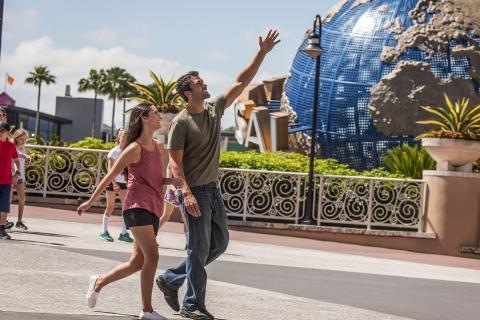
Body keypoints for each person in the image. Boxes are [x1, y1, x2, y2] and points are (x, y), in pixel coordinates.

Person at [156, 30, 280, 320]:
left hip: (212, 190)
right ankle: (192, 304)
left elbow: (241, 82)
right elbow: (175, 163)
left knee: (219, 243)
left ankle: (172, 278)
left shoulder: (213, 109)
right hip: (195, 191)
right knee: (197, 249)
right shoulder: (181, 124)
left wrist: (262, 52)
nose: (205, 84)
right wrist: (186, 194)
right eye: (200, 83)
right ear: (189, 92)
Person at [77, 105, 183, 320]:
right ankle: (146, 310)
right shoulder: (133, 148)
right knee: (153, 256)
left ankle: (99, 282)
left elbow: (156, 179)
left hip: (154, 207)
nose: (159, 117)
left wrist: (171, 180)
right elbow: (111, 176)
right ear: (144, 118)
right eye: (155, 114)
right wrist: (90, 201)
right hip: (136, 207)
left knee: (137, 262)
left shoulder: (159, 148)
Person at [100, 128, 133, 243]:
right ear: (118, 138)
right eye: (122, 135)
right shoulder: (114, 151)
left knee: (126, 207)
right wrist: (114, 183)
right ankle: (104, 232)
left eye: (126, 136)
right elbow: (110, 169)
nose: (124, 137)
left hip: (124, 183)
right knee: (110, 206)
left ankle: (124, 233)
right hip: (112, 182)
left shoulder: (128, 151)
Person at [0, 122, 20, 240]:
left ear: (8, 132)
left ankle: (2, 230)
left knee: (4, 207)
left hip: (6, 181)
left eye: (2, 130)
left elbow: (16, 161)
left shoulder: (11, 146)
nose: (0, 133)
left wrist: (17, 174)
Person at [10, 129, 31, 230]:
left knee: (22, 198)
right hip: (10, 175)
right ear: (16, 138)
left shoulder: (24, 149)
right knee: (7, 199)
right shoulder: (12, 146)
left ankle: (19, 221)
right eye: (21, 139)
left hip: (20, 176)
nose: (23, 141)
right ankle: (3, 220)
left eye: (25, 139)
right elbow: (15, 154)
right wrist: (24, 156)